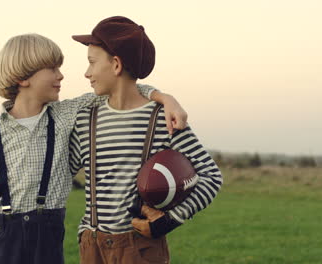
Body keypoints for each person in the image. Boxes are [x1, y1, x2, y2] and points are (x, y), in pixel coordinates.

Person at [0, 33, 186, 264]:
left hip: (46, 247)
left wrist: (164, 98)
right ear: (23, 77)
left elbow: (123, 86)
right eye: (52, 68)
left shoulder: (65, 116)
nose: (61, 75)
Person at [69, 16, 223, 264]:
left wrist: (169, 220)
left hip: (138, 249)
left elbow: (211, 177)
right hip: (92, 245)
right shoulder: (87, 117)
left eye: (92, 63)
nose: (86, 73)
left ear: (116, 65)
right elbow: (61, 171)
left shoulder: (163, 118)